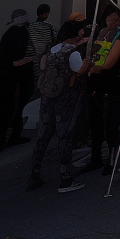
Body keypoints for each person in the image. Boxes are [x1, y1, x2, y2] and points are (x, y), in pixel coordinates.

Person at [28, 21, 87, 194]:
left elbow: (42, 68)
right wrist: (89, 62)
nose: (82, 31)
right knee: (64, 136)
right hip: (65, 100)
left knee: (43, 137)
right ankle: (66, 178)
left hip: (47, 99)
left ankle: (34, 174)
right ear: (74, 33)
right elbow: (79, 70)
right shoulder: (72, 53)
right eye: (80, 29)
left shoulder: (52, 49)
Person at [82, 11, 120, 176]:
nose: (111, 21)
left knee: (111, 124)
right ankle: (96, 157)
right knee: (95, 123)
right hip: (97, 84)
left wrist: (94, 68)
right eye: (109, 18)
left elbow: (109, 63)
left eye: (114, 18)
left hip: (112, 85)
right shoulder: (103, 32)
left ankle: (112, 159)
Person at [0, 9, 35, 155]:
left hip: (17, 75)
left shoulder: (20, 32)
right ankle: (0, 140)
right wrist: (31, 59)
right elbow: (14, 61)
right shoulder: (15, 34)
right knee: (6, 107)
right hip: (11, 75)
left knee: (17, 105)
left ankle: (11, 136)